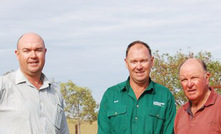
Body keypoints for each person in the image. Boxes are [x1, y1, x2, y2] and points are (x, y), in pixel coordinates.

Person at [98, 40, 176, 134]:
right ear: (126, 63)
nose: (139, 67)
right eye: (134, 61)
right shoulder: (110, 95)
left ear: (151, 62)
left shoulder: (165, 96)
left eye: (143, 61)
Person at [0, 33, 69, 134]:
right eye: (27, 50)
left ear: (45, 52)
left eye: (38, 50)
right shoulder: (4, 85)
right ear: (17, 54)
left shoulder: (55, 93)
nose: (33, 55)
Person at [174, 58, 221, 134]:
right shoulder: (180, 113)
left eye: (194, 78)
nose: (189, 84)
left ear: (207, 78)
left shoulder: (219, 107)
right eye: (184, 80)